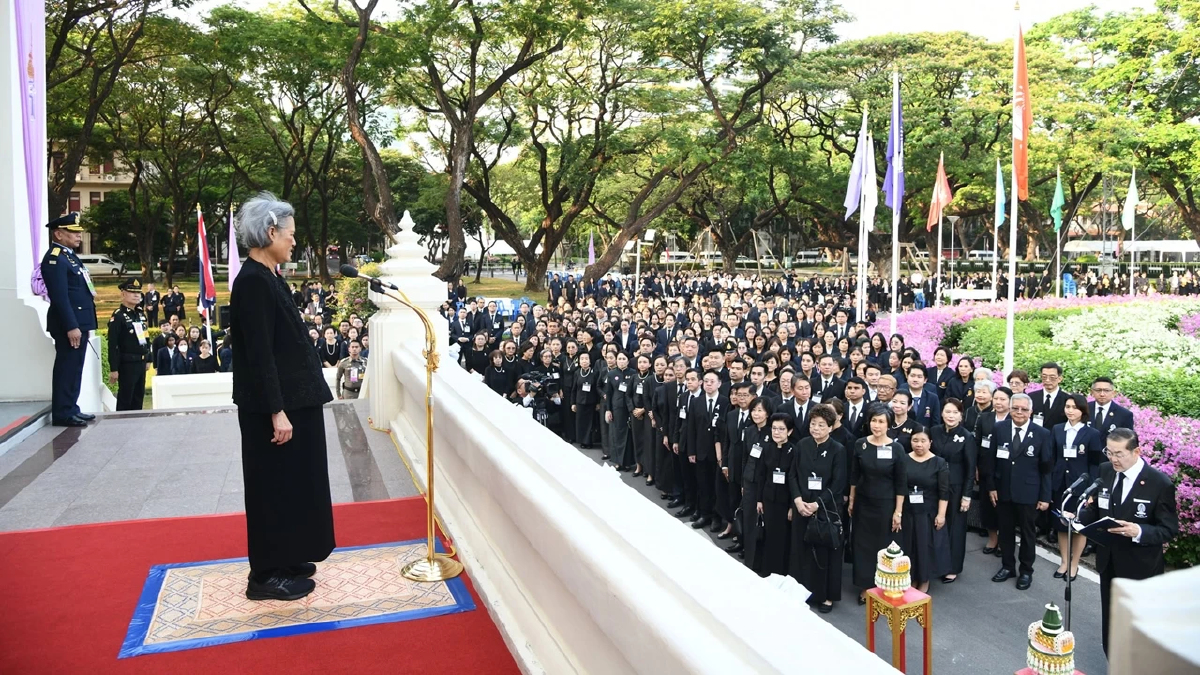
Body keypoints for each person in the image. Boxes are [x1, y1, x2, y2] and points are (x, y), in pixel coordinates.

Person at [230, 193, 335, 602]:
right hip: (273, 407)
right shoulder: (253, 282)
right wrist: (278, 411)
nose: (295, 241)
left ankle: (289, 555)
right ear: (270, 232)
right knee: (271, 487)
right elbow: (260, 356)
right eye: (290, 234)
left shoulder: (269, 274)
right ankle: (266, 574)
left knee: (293, 483)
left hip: (294, 400)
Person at [1072, 428, 1178, 655]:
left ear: (1136, 451)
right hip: (1109, 561)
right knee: (1111, 620)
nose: (1113, 459)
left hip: (1140, 568)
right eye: (1109, 452)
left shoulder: (1159, 483)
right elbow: (1099, 510)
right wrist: (1082, 515)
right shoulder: (1105, 471)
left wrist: (1138, 530)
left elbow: (1169, 529)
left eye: (1119, 454)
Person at [984, 392, 1052, 591]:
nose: (1019, 412)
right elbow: (991, 461)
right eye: (1015, 408)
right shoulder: (999, 429)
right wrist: (991, 487)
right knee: (1005, 532)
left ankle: (1026, 570)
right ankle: (1007, 566)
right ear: (1010, 409)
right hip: (1003, 491)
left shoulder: (1042, 434)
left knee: (1027, 534)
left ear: (1030, 412)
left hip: (1029, 493)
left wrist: (1045, 496)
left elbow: (1047, 468)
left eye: (1024, 409)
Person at [40, 213, 97, 427]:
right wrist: (72, 325)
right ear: (58, 234)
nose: (79, 235)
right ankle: (63, 412)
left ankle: (71, 407)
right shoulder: (55, 258)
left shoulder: (69, 256)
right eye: (73, 232)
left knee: (75, 367)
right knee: (67, 367)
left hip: (80, 322)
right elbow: (60, 297)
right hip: (69, 324)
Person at [788, 405, 846, 613]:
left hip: (825, 509)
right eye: (813, 424)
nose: (816, 428)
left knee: (824, 553)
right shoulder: (802, 445)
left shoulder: (838, 450)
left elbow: (838, 484)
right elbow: (792, 474)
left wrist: (816, 504)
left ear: (830, 427)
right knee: (800, 551)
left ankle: (826, 596)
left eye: (822, 425)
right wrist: (797, 501)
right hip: (801, 505)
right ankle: (802, 591)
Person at [849, 403, 906, 604]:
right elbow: (854, 476)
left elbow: (901, 483)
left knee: (883, 546)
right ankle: (866, 586)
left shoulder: (897, 448)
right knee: (862, 545)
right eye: (874, 420)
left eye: (881, 421)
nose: (877, 425)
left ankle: (884, 586)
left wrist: (898, 511)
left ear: (888, 424)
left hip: (886, 504)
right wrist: (852, 499)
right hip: (863, 503)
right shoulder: (860, 444)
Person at [1050, 393, 1103, 580]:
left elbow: (1095, 464)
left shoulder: (1092, 434)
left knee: (1079, 527)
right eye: (1067, 407)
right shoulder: (1057, 429)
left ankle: (1074, 564)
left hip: (1081, 487)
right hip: (1060, 485)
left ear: (1082, 410)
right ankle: (1064, 561)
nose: (1070, 411)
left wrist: (1091, 492)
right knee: (1062, 525)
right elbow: (1053, 458)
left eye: (1074, 407)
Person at [928, 398, 976, 582]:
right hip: (934, 485)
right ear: (941, 413)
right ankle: (934, 562)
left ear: (961, 415)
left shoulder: (967, 436)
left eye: (955, 412)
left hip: (956, 487)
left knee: (955, 528)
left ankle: (953, 566)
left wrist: (967, 495)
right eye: (947, 412)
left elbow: (971, 469)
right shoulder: (934, 431)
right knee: (935, 524)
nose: (950, 416)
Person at [902, 430, 950, 592]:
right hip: (908, 510)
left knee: (924, 547)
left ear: (930, 442)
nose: (919, 444)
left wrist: (941, 514)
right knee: (909, 546)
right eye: (915, 440)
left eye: (923, 441)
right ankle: (911, 577)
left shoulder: (939, 462)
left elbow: (944, 491)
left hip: (928, 511)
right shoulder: (904, 459)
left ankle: (924, 579)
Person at [746, 413, 794, 577]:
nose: (777, 432)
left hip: (785, 501)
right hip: (768, 498)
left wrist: (792, 506)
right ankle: (766, 570)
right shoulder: (767, 448)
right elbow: (761, 475)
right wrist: (759, 499)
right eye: (774, 428)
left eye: (781, 429)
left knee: (782, 537)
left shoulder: (793, 451)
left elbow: (794, 480)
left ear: (789, 431)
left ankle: (781, 571)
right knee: (767, 535)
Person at [106, 278, 151, 411]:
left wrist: (149, 357)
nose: (137, 295)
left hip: (141, 363)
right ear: (123, 294)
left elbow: (146, 338)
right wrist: (114, 369)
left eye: (138, 292)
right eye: (132, 292)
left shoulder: (140, 315)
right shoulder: (118, 316)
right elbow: (113, 344)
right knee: (126, 399)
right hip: (127, 364)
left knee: (138, 399)